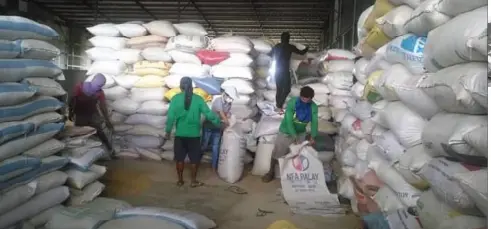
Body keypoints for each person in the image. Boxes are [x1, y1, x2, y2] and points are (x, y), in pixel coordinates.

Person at [164, 77, 221, 187]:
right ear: (191, 86)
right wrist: (218, 122)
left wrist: (168, 131)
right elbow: (208, 114)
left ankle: (180, 180)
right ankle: (193, 181)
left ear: (180, 87)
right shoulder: (198, 99)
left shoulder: (175, 99)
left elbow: (170, 117)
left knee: (179, 159)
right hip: (194, 135)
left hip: (180, 135)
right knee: (194, 160)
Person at [262, 86, 318, 183]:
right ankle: (270, 172)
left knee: (297, 155)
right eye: (303, 98)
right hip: (286, 131)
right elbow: (288, 120)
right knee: (278, 152)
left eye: (307, 99)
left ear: (311, 99)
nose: (304, 100)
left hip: (301, 132)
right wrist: (294, 135)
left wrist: (313, 136)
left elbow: (315, 122)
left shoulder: (313, 107)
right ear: (300, 96)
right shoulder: (293, 102)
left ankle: (293, 175)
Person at [68, 73, 114, 154]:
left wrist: (107, 120)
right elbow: (73, 100)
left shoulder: (97, 91)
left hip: (90, 114)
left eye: (100, 85)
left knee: (97, 132)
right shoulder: (80, 86)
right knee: (82, 133)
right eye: (98, 85)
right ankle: (81, 152)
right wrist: (70, 112)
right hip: (81, 114)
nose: (98, 87)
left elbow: (103, 107)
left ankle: (109, 150)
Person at [201, 86, 239, 172]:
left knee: (216, 147)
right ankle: (196, 162)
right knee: (204, 145)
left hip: (218, 127)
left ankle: (214, 167)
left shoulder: (229, 103)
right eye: (230, 98)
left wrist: (231, 118)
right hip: (209, 126)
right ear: (225, 95)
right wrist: (229, 123)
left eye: (232, 98)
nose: (231, 100)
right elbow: (222, 114)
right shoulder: (218, 101)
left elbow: (227, 114)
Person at [270, 32, 309, 113]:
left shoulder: (276, 47)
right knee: (287, 89)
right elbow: (301, 52)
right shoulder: (289, 46)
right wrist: (307, 48)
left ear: (281, 38)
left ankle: (278, 106)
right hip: (284, 70)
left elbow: (270, 54)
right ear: (288, 39)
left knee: (279, 89)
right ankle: (279, 105)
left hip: (277, 70)